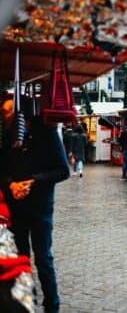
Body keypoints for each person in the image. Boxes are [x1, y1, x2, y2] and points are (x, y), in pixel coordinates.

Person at [1, 114, 70, 313]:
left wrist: (35, 181)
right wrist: (11, 184)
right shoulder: (8, 135)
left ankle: (52, 306)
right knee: (21, 259)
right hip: (16, 207)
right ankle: (26, 303)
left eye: (8, 111)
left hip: (41, 207)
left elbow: (63, 170)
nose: (5, 115)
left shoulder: (47, 134)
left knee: (43, 258)